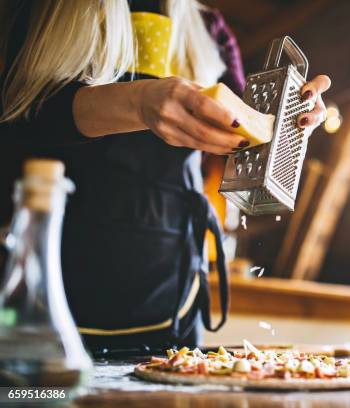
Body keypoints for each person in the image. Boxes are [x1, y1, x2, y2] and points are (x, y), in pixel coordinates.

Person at [0, 0, 330, 354]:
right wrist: (138, 103)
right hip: (47, 270)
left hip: (173, 284)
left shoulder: (209, 30)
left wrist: (288, 123)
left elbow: (244, 131)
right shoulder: (38, 9)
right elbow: (19, 120)